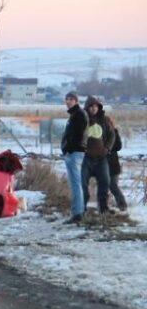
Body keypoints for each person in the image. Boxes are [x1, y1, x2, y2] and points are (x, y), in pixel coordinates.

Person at [81, 96, 114, 216]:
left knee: (105, 182)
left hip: (101, 159)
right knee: (82, 185)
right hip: (86, 159)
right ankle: (81, 208)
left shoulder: (104, 120)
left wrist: (108, 148)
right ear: (87, 107)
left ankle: (103, 209)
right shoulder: (83, 120)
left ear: (99, 108)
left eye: (96, 106)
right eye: (91, 106)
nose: (94, 108)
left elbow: (111, 135)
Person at [60, 91, 88, 224]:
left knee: (76, 184)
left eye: (71, 99)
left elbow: (77, 136)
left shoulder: (79, 115)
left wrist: (68, 149)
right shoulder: (74, 115)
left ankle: (77, 213)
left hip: (75, 153)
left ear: (76, 101)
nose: (68, 101)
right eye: (67, 99)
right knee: (75, 183)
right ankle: (77, 211)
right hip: (73, 152)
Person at [106, 116, 128, 214]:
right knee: (105, 186)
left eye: (109, 123)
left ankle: (122, 204)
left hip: (113, 165)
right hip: (103, 164)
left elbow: (118, 146)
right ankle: (105, 206)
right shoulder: (101, 134)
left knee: (113, 185)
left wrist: (114, 130)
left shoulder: (114, 133)